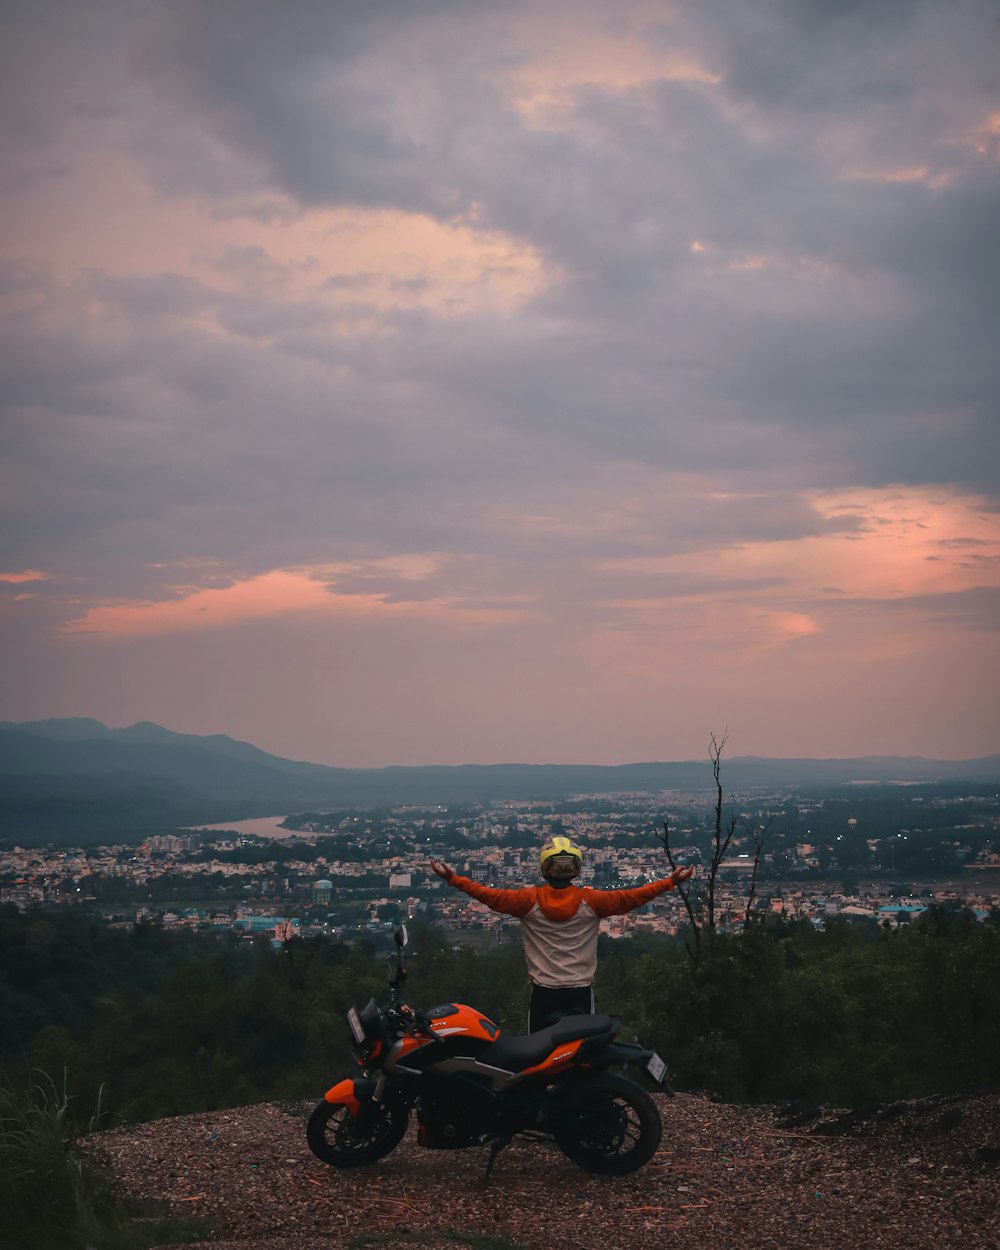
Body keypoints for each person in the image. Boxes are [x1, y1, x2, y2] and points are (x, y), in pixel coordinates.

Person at [430, 835, 695, 1032]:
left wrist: (454, 879)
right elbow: (633, 897)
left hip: (544, 991)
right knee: (582, 1051)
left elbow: (488, 896)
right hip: (579, 990)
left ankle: (541, 1103)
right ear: (576, 868)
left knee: (537, 1055)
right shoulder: (592, 901)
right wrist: (670, 882)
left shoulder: (528, 900)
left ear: (545, 868)